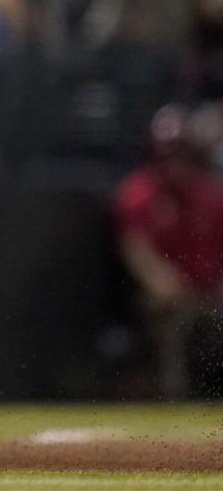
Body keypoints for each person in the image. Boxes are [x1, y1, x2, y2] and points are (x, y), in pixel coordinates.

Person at [115, 104, 223, 399]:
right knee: (171, 314)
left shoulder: (210, 194)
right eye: (166, 154)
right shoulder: (138, 193)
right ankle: (173, 397)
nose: (173, 162)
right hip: (164, 296)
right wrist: (164, 283)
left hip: (210, 293)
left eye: (180, 153)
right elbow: (135, 249)